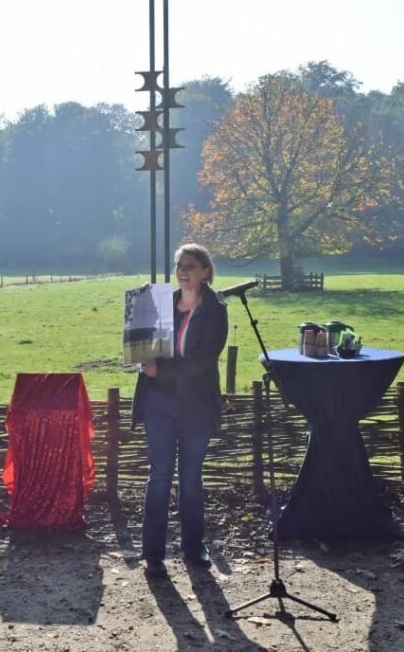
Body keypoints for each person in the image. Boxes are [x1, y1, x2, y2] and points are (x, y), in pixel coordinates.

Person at [132, 243, 229, 578]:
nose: (183, 271)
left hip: (196, 404)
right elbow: (145, 349)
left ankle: (194, 547)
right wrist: (139, 342)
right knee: (159, 477)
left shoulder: (216, 310)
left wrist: (165, 371)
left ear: (205, 270)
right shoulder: (160, 305)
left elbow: (204, 360)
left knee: (190, 480)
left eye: (190, 265)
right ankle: (153, 553)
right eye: (179, 265)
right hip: (158, 401)